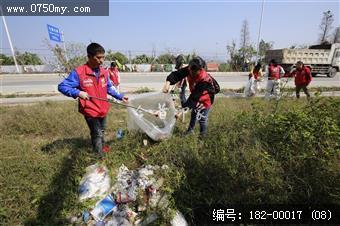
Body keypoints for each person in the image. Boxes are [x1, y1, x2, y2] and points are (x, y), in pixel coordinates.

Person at [58, 43, 129, 156]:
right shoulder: (79, 73)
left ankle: (101, 149)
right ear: (90, 57)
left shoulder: (104, 72)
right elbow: (62, 86)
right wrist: (78, 92)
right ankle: (99, 157)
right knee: (97, 134)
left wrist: (120, 96)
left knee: (101, 131)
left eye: (103, 57)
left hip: (103, 109)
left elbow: (109, 87)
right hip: (90, 110)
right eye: (98, 57)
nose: (101, 60)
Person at [162, 56, 218, 137]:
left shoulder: (204, 79)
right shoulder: (189, 69)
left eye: (195, 72)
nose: (192, 73)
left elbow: (194, 97)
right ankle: (190, 131)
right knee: (194, 114)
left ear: (200, 69)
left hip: (206, 99)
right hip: (196, 96)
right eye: (191, 71)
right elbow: (176, 75)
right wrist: (167, 83)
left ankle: (202, 136)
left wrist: (182, 111)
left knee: (202, 119)